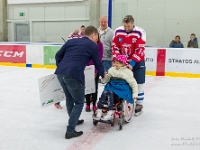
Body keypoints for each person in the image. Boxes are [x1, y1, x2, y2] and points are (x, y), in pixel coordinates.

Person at [54, 25, 104, 139]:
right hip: (74, 74)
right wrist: (103, 74)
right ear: (94, 34)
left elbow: (58, 55)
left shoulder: (72, 41)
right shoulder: (93, 45)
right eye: (97, 38)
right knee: (79, 102)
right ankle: (70, 130)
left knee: (70, 98)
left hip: (60, 73)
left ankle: (74, 120)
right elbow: (98, 63)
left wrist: (62, 67)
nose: (97, 41)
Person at [112, 15, 146, 116]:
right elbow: (115, 47)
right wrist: (118, 61)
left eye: (129, 26)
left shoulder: (140, 32)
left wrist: (132, 64)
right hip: (122, 62)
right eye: (125, 26)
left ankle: (139, 104)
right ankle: (123, 100)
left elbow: (140, 50)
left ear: (133, 23)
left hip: (138, 62)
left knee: (139, 83)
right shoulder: (118, 31)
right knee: (122, 81)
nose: (127, 28)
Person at [95, 55, 138, 120]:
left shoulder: (128, 72)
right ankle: (99, 109)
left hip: (122, 88)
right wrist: (104, 77)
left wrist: (135, 94)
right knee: (105, 92)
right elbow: (106, 80)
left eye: (117, 63)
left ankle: (111, 111)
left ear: (123, 63)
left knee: (109, 92)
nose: (115, 64)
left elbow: (133, 84)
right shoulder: (111, 70)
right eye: (115, 62)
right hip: (112, 86)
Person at [85, 34, 103, 112]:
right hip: (87, 69)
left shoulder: (100, 45)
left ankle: (94, 104)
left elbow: (99, 58)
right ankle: (88, 104)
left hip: (95, 69)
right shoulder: (86, 44)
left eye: (96, 36)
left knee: (94, 88)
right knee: (87, 88)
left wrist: (95, 71)